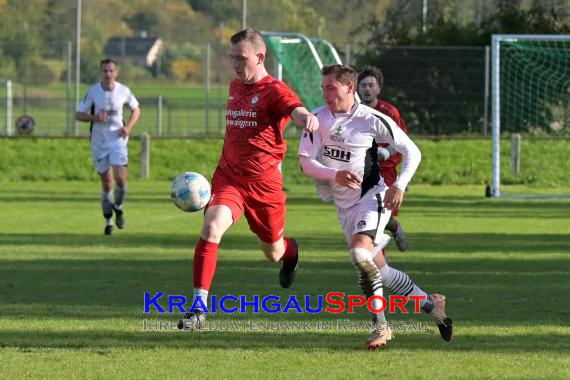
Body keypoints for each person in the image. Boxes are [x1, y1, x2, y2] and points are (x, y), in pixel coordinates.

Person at [298, 64, 454, 349]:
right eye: (323, 87)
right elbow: (305, 162)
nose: (325, 92)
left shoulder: (370, 119)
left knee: (359, 254)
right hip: (344, 206)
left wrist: (400, 185)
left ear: (349, 87)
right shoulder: (317, 118)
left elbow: (412, 152)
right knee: (379, 271)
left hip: (372, 196)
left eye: (330, 87)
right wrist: (334, 175)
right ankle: (433, 305)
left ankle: (381, 327)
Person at [178, 28, 318, 330]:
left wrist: (307, 119)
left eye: (241, 58)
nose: (235, 64)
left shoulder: (275, 90)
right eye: (232, 58)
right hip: (229, 179)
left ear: (260, 57)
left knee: (273, 253)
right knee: (212, 227)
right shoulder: (234, 86)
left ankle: (291, 253)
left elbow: (296, 110)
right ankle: (198, 309)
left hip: (265, 187)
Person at [75, 58, 141, 236]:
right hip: (98, 141)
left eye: (111, 70)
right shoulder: (93, 92)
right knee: (106, 183)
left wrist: (128, 128)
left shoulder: (124, 91)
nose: (108, 74)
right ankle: (108, 222)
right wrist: (95, 118)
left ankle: (118, 207)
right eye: (105, 71)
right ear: (101, 72)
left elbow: (136, 110)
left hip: (117, 140)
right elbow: (78, 114)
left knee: (120, 177)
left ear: (116, 72)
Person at [358, 66, 409, 251]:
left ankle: (380, 257)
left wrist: (386, 152)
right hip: (362, 171)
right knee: (368, 215)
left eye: (371, 85)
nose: (367, 89)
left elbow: (404, 142)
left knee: (378, 214)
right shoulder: (355, 112)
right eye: (363, 85)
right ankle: (382, 251)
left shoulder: (389, 111)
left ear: (378, 88)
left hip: (386, 170)